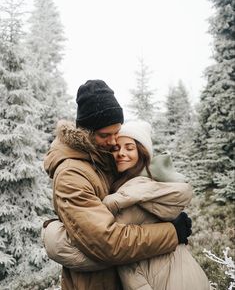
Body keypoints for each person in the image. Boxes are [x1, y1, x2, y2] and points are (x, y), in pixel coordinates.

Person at [43, 79, 192, 290]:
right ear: (86, 132)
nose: (114, 142)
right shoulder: (72, 174)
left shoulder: (103, 159)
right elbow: (107, 242)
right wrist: (171, 233)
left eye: (117, 132)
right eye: (106, 135)